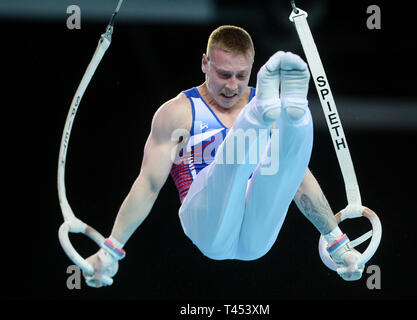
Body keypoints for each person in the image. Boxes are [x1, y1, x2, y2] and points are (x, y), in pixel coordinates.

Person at [84, 25, 364, 287]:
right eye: (224, 74)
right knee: (229, 166)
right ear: (205, 63)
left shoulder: (262, 108)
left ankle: (297, 112)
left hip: (258, 241)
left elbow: (297, 181)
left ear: (253, 68)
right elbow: (148, 185)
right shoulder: (177, 113)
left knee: (281, 170)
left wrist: (338, 243)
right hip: (205, 222)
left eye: (242, 76)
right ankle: (260, 114)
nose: (232, 86)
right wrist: (112, 248)